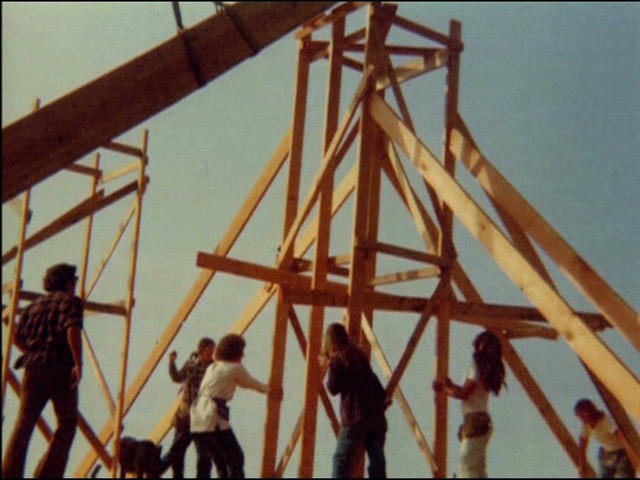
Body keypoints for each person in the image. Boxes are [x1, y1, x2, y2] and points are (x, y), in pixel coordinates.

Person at [2, 263, 83, 478]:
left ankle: (9, 473)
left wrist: (33, 350)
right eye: (74, 280)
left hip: (33, 368)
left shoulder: (32, 307)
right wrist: (78, 363)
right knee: (66, 426)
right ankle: (47, 474)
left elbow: (16, 336)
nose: (75, 284)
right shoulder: (70, 302)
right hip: (60, 368)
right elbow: (72, 329)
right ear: (68, 283)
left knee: (24, 424)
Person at [190, 333, 278, 478]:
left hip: (198, 417)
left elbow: (242, 383)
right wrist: (271, 390)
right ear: (235, 352)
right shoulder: (235, 368)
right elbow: (250, 383)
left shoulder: (213, 367)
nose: (243, 355)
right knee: (235, 458)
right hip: (213, 417)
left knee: (219, 462)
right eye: (241, 351)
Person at [432, 330, 506, 478]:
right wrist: (450, 386)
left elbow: (464, 394)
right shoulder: (486, 368)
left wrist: (444, 389)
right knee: (476, 469)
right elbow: (469, 392)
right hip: (481, 421)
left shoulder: (476, 364)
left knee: (467, 468)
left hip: (475, 421)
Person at [323, 323, 388, 478]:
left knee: (340, 461)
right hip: (376, 417)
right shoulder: (359, 355)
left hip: (356, 418)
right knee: (376, 461)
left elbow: (332, 388)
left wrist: (330, 363)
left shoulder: (340, 357)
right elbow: (374, 380)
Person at [160, 337, 226, 478]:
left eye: (213, 350)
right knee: (177, 452)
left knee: (203, 455)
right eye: (209, 349)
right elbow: (177, 377)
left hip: (202, 418)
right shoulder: (191, 365)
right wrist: (172, 363)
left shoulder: (214, 369)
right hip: (185, 416)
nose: (211, 352)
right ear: (201, 350)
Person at [574, 398, 635, 478]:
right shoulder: (586, 426)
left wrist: (632, 456)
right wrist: (582, 466)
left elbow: (621, 437)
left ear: (589, 412)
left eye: (582, 415)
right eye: (579, 416)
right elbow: (582, 446)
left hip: (622, 454)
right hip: (606, 456)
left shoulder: (606, 420)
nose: (581, 419)